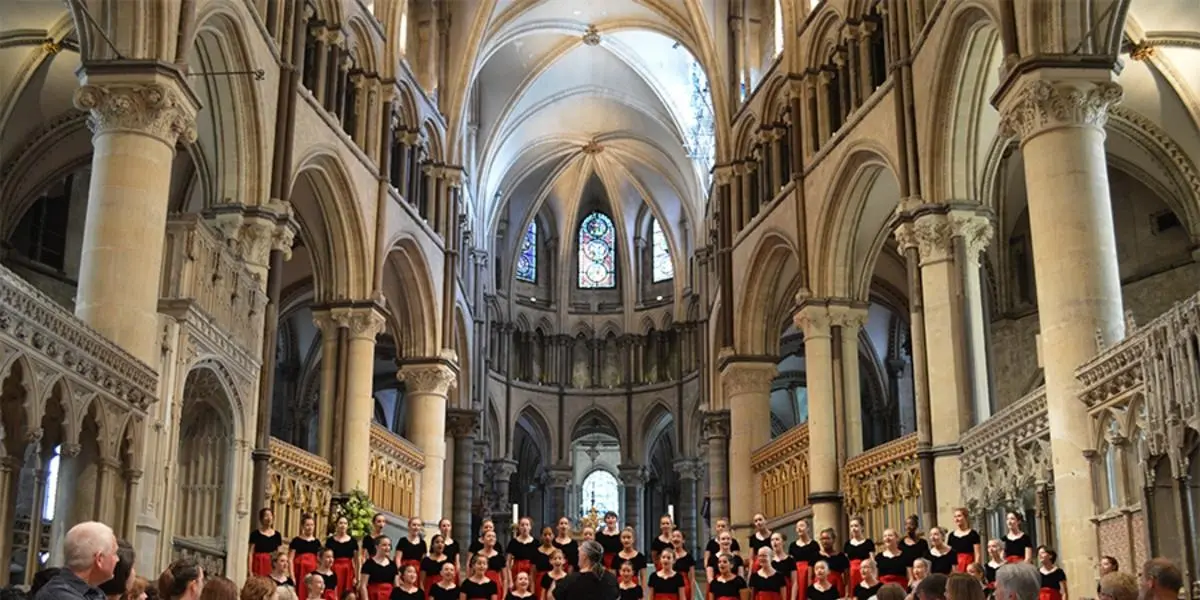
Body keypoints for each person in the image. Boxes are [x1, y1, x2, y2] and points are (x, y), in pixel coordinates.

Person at [36, 522, 120, 600]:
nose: (117, 559)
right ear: (99, 559)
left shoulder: (94, 592)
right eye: (114, 553)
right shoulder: (59, 595)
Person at [550, 540, 618, 600]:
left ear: (584, 556)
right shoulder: (611, 579)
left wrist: (554, 583)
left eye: (579, 552)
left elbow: (552, 597)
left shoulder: (570, 580)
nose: (578, 555)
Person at [326, 517, 359, 600]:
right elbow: (326, 556)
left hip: (348, 570)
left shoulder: (353, 541)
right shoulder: (330, 541)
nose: (343, 525)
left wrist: (357, 577)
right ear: (336, 525)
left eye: (345, 523)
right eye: (340, 523)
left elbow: (357, 560)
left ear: (347, 526)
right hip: (334, 568)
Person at [292, 516, 322, 600]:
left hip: (312, 571)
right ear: (302, 526)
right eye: (307, 525)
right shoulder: (296, 540)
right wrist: (292, 575)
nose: (310, 527)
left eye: (312, 525)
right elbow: (290, 559)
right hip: (299, 571)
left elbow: (319, 560)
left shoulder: (317, 542)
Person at [359, 536, 397, 600]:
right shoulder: (368, 564)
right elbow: (363, 586)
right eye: (384, 545)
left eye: (389, 545)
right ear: (376, 546)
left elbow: (396, 586)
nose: (387, 548)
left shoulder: (393, 565)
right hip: (373, 596)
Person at [845, 518, 876, 592]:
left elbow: (872, 560)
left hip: (865, 571)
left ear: (861, 527)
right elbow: (845, 562)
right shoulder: (847, 544)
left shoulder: (868, 542)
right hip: (852, 574)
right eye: (851, 526)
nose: (853, 528)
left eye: (856, 526)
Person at [251, 510, 284, 578]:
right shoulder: (255, 534)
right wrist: (250, 571)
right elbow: (250, 553)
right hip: (259, 563)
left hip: (271, 564)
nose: (269, 518)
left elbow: (280, 554)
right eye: (266, 516)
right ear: (261, 519)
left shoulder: (277, 535)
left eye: (270, 515)